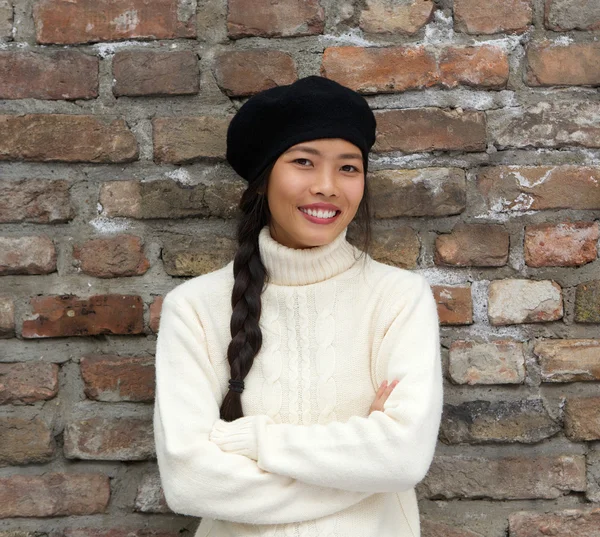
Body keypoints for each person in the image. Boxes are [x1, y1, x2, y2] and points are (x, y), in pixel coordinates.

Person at [153, 75, 443, 537]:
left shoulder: (399, 299)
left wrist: (256, 441)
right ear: (265, 178)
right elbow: (190, 483)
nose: (327, 186)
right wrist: (361, 471)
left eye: (348, 168)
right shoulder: (193, 308)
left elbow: (403, 456)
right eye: (304, 162)